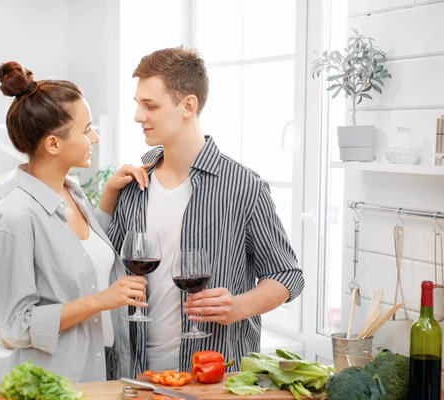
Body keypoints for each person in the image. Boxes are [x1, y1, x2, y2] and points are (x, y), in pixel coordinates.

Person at [100, 47, 305, 374]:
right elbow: (102, 272)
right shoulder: (132, 185)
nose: (139, 116)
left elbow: (287, 276)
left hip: (214, 378)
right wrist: (108, 194)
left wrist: (238, 307)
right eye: (138, 105)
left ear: (188, 105)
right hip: (134, 376)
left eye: (150, 105)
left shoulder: (242, 186)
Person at [0, 61, 149, 382]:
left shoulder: (73, 192)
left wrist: (109, 193)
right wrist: (101, 300)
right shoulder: (14, 220)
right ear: (53, 144)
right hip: (50, 384)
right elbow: (15, 327)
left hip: (99, 374)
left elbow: (79, 252)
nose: (94, 138)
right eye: (86, 130)